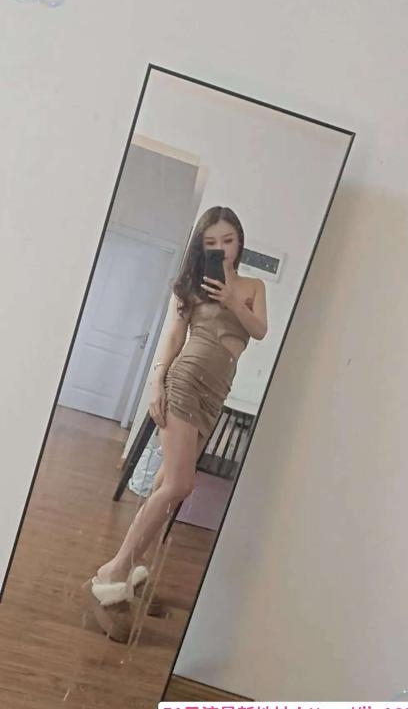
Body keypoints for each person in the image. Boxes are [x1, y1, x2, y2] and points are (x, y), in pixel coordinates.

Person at [82, 206, 268, 641]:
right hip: (185, 380)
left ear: (239, 242)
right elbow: (172, 337)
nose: (221, 248)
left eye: (228, 240)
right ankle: (112, 572)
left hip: (215, 393)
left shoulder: (252, 287)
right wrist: (155, 385)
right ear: (201, 246)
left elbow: (259, 330)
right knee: (180, 485)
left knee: (167, 484)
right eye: (211, 242)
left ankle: (129, 569)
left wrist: (231, 301)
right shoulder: (190, 285)